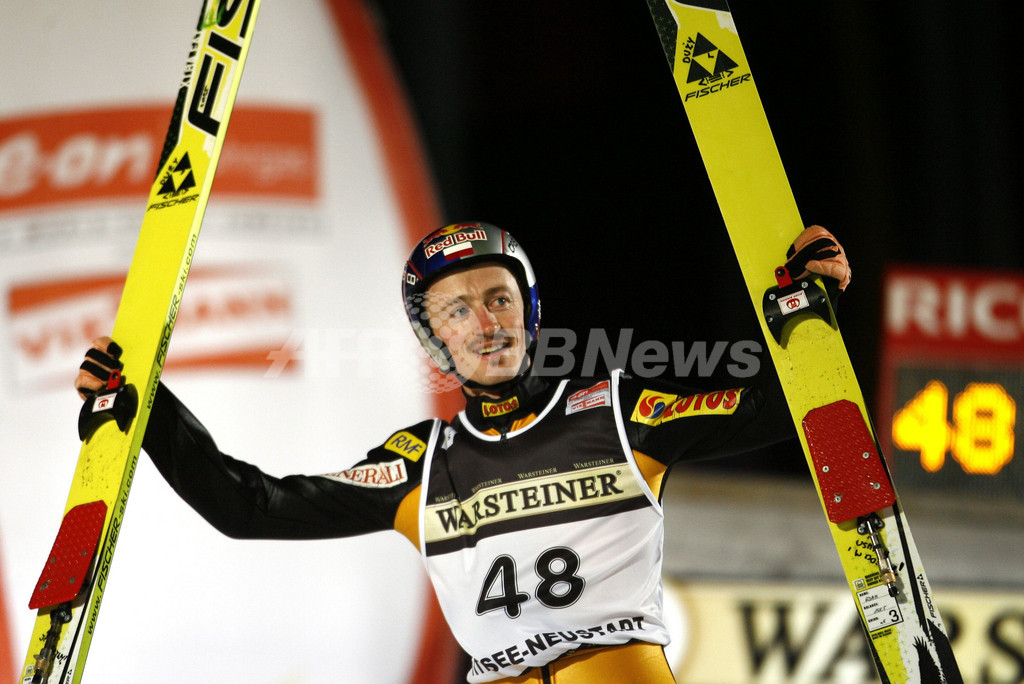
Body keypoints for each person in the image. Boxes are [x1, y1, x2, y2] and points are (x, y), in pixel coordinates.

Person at [76, 221, 850, 683]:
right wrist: (148, 410)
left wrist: (806, 314)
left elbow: (774, 412)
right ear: (432, 339)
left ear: (530, 311)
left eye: (498, 298)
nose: (483, 322)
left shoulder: (617, 412)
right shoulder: (417, 460)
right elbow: (250, 508)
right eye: (455, 310)